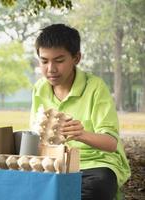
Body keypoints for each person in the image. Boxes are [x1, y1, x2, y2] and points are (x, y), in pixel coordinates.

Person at [30, 24, 131, 200]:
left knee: (97, 185)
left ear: (76, 58)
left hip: (95, 163)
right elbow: (35, 135)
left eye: (59, 61)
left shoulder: (95, 87)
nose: (51, 69)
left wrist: (81, 134)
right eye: (44, 61)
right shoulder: (40, 88)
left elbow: (111, 143)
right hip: (54, 162)